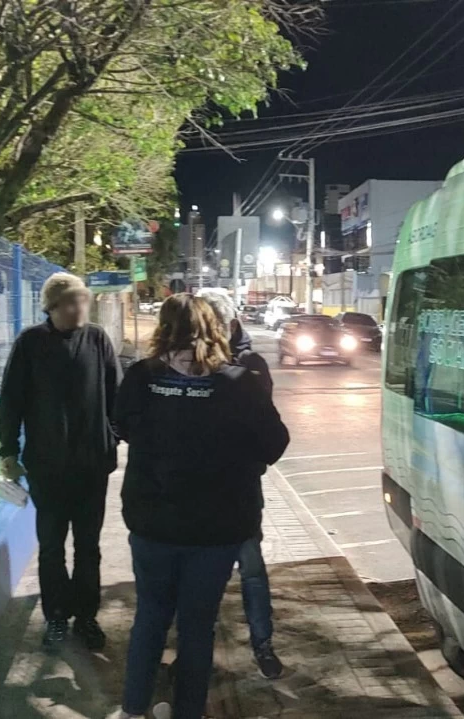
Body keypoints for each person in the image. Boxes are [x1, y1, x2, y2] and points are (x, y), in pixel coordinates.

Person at [109, 295, 290, 719]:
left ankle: (134, 709)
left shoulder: (141, 376)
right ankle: (188, 710)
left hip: (153, 520)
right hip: (217, 527)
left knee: (150, 617)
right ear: (214, 328)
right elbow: (275, 443)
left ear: (164, 327)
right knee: (197, 625)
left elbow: (122, 425)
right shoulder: (239, 383)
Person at [0, 272, 121, 651]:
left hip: (91, 467)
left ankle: (86, 616)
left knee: (88, 547)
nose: (80, 306)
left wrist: (111, 438)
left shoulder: (97, 339)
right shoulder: (31, 343)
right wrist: (7, 451)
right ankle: (55, 618)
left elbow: (117, 394)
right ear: (52, 307)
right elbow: (11, 402)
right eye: (71, 301)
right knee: (51, 547)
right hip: (47, 468)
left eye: (83, 299)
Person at [195, 288, 283, 679]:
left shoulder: (250, 365)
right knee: (202, 574)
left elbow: (269, 432)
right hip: (199, 488)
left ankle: (262, 644)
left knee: (250, 569)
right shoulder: (190, 362)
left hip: (241, 488)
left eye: (211, 325)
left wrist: (249, 463)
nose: (205, 334)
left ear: (228, 325)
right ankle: (199, 649)